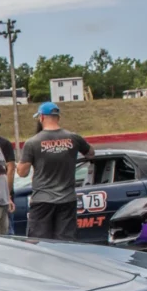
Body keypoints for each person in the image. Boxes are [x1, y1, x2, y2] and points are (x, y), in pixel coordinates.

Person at [16, 103, 93, 241]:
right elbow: (91, 154)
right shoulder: (73, 138)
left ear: (41, 117)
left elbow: (22, 173)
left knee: (39, 242)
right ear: (58, 117)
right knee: (66, 242)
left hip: (42, 200)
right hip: (67, 199)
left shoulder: (33, 142)